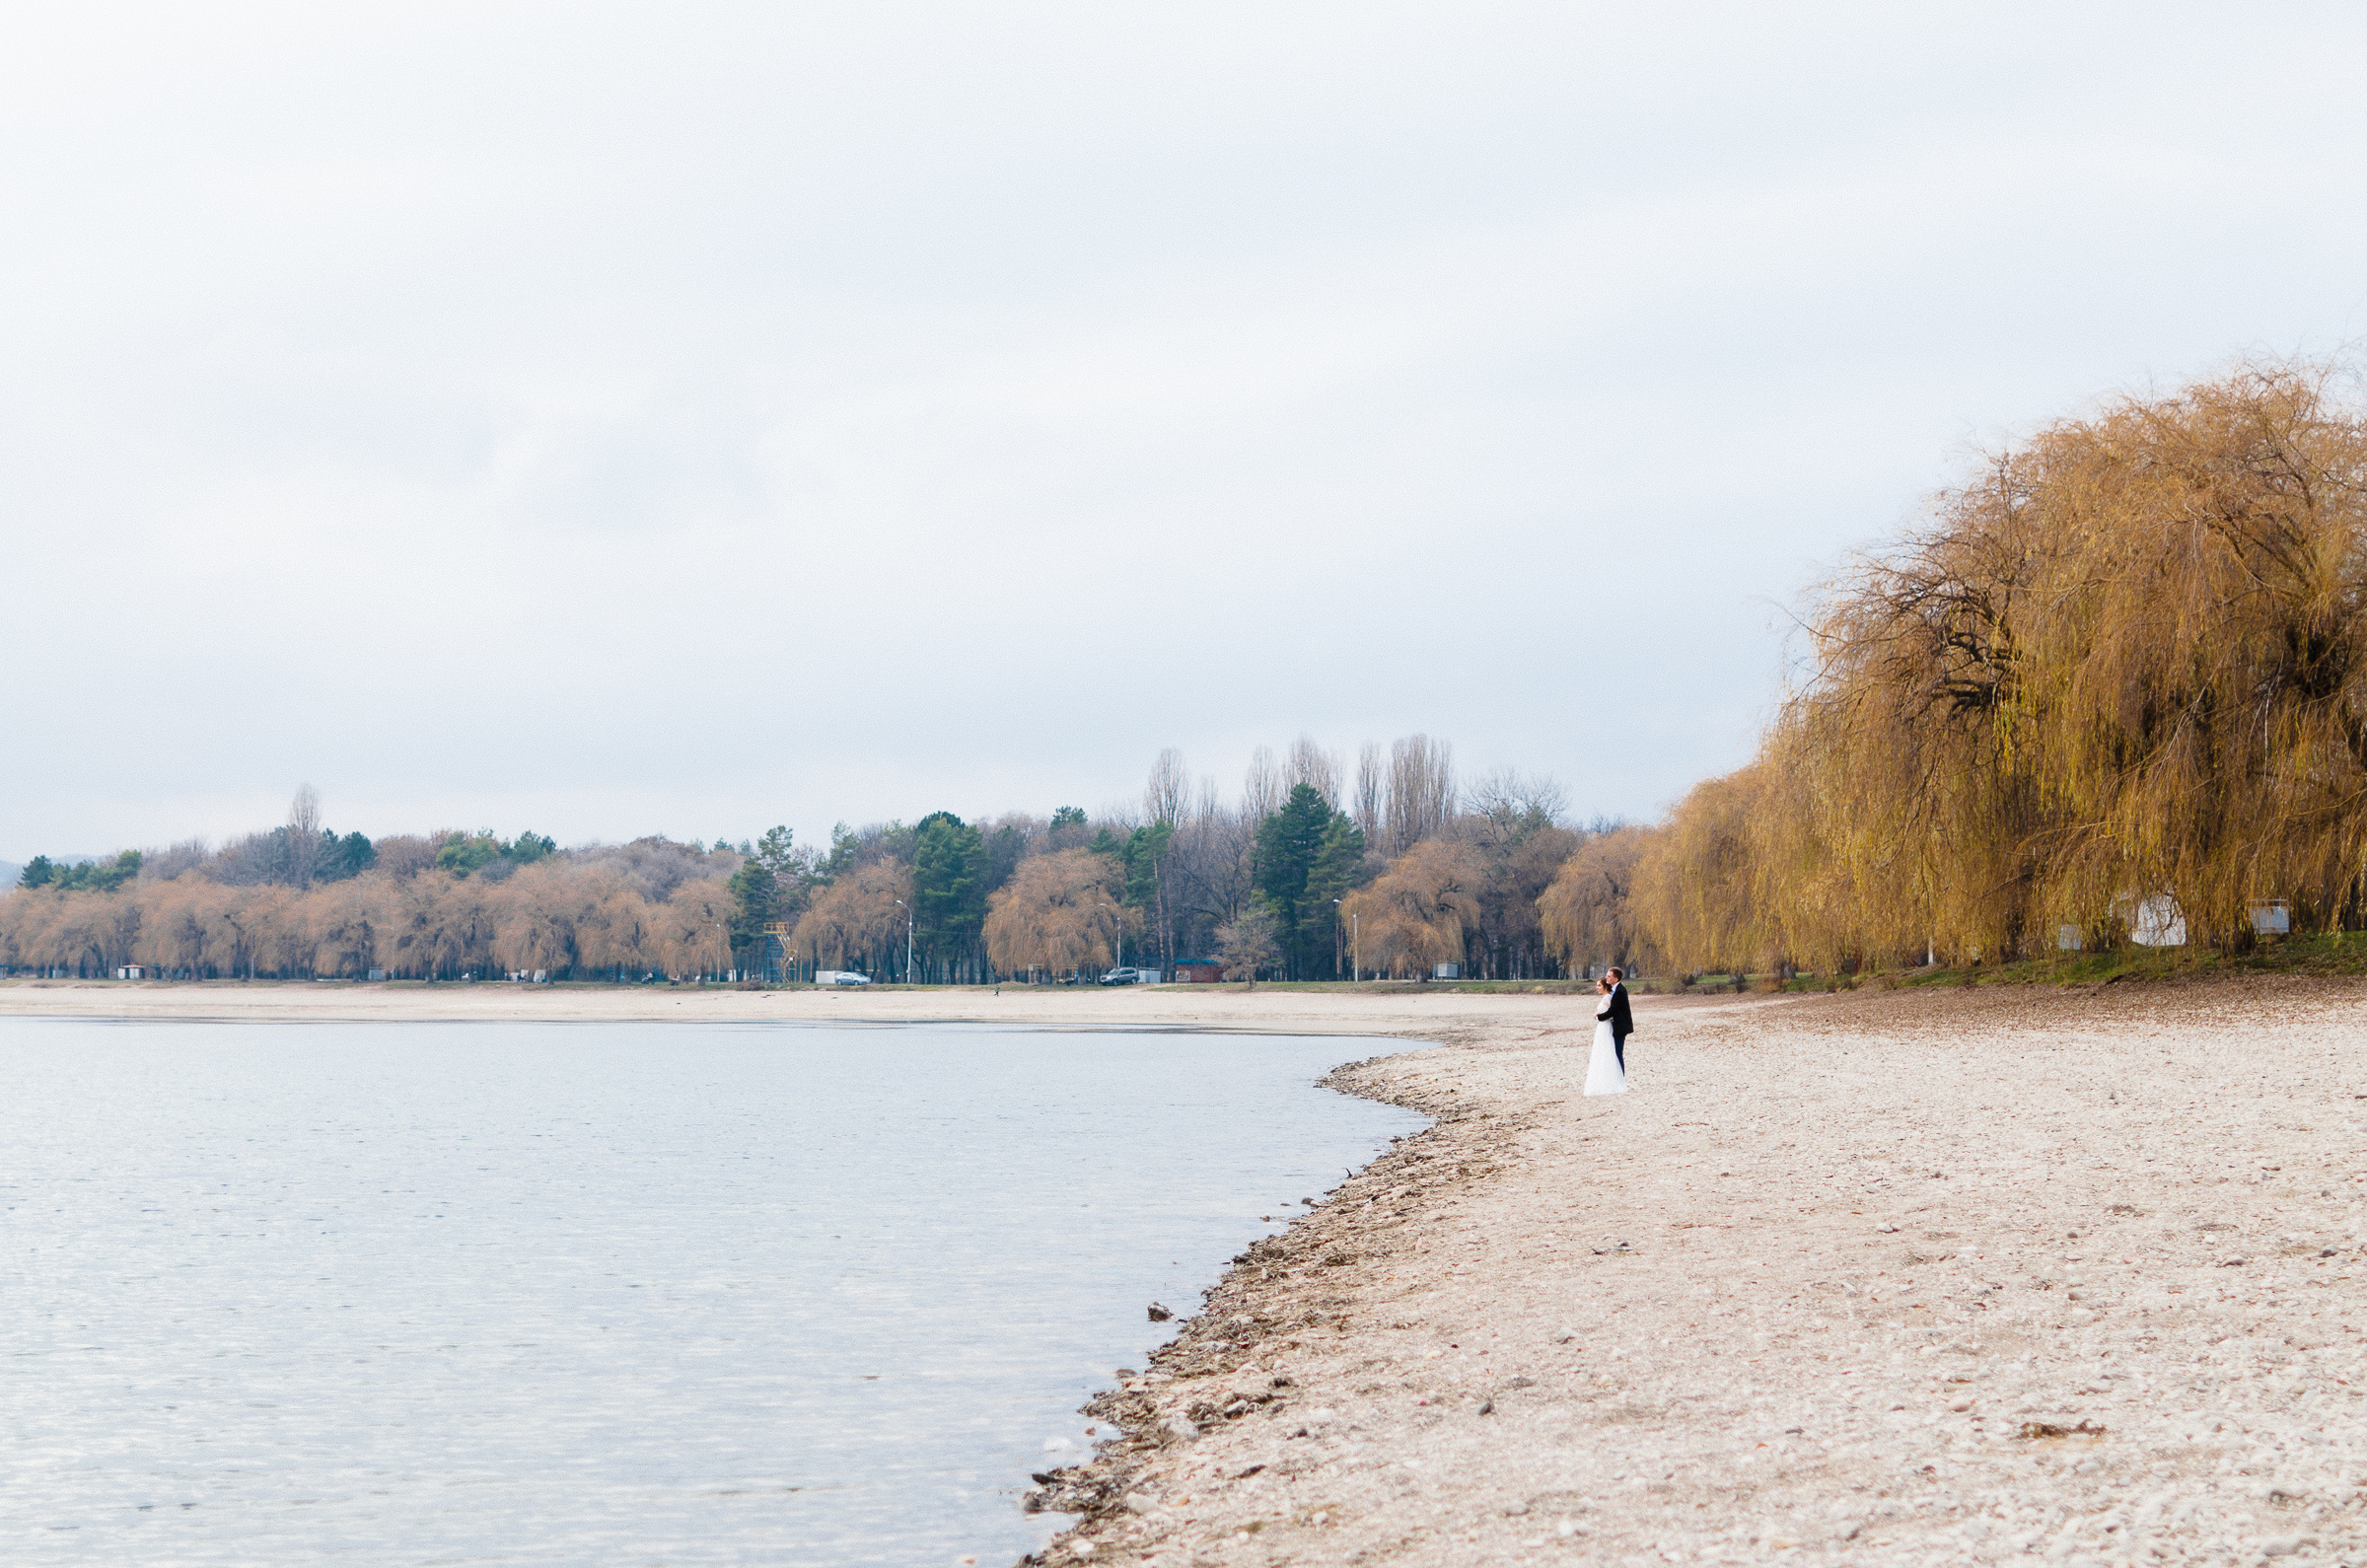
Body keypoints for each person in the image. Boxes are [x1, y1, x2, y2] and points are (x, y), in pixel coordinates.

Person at [1584, 974, 1626, 1097]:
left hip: (1605, 1026)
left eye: (1599, 985)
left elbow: (1612, 1013)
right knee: (1602, 1051)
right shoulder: (1607, 997)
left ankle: (1612, 1080)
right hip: (1602, 1027)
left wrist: (1598, 1016)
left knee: (1608, 1051)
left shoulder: (1608, 997)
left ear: (1604, 986)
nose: (1597, 988)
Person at [1605, 965, 1634, 1072]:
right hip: (1618, 1025)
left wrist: (1599, 1017)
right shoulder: (1615, 990)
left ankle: (1620, 1076)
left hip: (1621, 1026)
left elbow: (1613, 1010)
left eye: (1609, 976)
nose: (1606, 977)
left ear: (1615, 979)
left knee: (1618, 1053)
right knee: (1615, 1052)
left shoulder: (1619, 991)